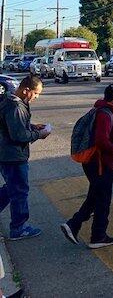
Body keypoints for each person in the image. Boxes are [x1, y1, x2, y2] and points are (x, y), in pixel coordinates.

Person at [61, 84, 113, 249]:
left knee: (95, 196)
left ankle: (76, 226)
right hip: (99, 163)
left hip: (97, 162)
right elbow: (101, 140)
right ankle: (96, 235)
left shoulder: (103, 110)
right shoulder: (105, 114)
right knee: (102, 199)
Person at [0, 75, 50, 241]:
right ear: (26, 90)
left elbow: (15, 126)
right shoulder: (15, 106)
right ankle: (19, 228)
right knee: (19, 191)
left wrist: (32, 126)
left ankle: (18, 226)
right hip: (12, 155)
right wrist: (39, 134)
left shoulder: (14, 102)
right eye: (36, 93)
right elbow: (19, 135)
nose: (37, 97)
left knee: (13, 187)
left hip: (9, 154)